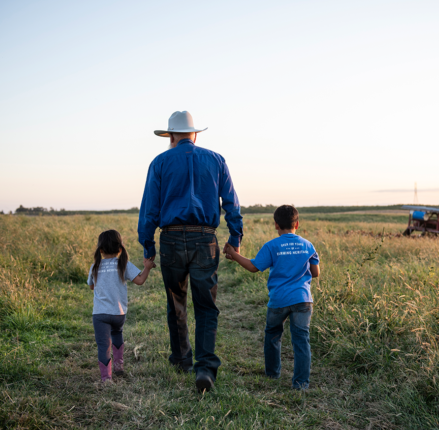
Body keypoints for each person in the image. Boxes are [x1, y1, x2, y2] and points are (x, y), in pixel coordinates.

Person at [138, 111, 243, 393]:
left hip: (171, 240)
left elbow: (149, 209)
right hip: (205, 239)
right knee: (206, 307)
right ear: (195, 134)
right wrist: (235, 237)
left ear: (171, 136)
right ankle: (205, 368)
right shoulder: (217, 160)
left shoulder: (159, 162)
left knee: (176, 302)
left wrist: (148, 245)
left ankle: (182, 360)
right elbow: (232, 203)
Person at [224, 205, 320, 390]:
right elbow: (315, 273)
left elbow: (254, 267)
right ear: (297, 224)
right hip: (303, 299)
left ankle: (272, 373)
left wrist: (234, 255)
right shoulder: (308, 245)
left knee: (273, 335)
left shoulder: (271, 246)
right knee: (301, 340)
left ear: (276, 225)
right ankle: (301, 383)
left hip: (279, 300)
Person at [87, 229, 155, 382]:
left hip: (100, 314)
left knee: (104, 345)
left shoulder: (95, 267)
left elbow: (91, 286)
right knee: (117, 335)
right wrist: (147, 268)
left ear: (101, 250)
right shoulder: (123, 264)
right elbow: (140, 280)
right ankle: (119, 367)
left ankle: (106, 379)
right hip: (118, 313)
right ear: (120, 248)